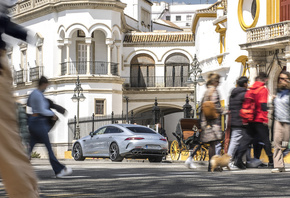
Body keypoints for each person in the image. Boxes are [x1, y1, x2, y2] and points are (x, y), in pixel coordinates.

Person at [27, 76, 73, 178]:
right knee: (49, 148)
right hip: (39, 123)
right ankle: (59, 170)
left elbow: (29, 104)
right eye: (46, 86)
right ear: (43, 84)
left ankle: (19, 168)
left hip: (32, 122)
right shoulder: (38, 95)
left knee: (30, 148)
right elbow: (42, 110)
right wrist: (52, 114)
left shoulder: (33, 94)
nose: (46, 88)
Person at [234, 72, 273, 169]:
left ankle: (238, 159)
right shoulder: (263, 89)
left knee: (246, 140)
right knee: (266, 140)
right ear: (265, 79)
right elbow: (263, 105)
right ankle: (271, 161)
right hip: (259, 119)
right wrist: (265, 118)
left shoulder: (250, 90)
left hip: (249, 118)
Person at [185, 73, 223, 171]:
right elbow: (216, 106)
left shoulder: (206, 91)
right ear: (214, 81)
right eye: (218, 81)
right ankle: (213, 166)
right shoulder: (213, 91)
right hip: (213, 122)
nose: (219, 83)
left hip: (205, 121)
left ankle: (211, 165)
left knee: (211, 144)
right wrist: (224, 111)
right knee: (215, 143)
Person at [227, 76, 248, 169]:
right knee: (236, 141)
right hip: (241, 120)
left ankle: (241, 160)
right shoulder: (244, 94)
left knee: (240, 141)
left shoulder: (233, 94)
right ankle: (228, 161)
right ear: (244, 84)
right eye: (247, 83)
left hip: (234, 120)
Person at [271, 71, 290, 173]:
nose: (282, 81)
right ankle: (279, 166)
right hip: (278, 121)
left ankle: (281, 162)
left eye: (284, 79)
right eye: (280, 78)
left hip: (287, 121)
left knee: (285, 144)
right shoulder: (278, 92)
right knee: (277, 143)